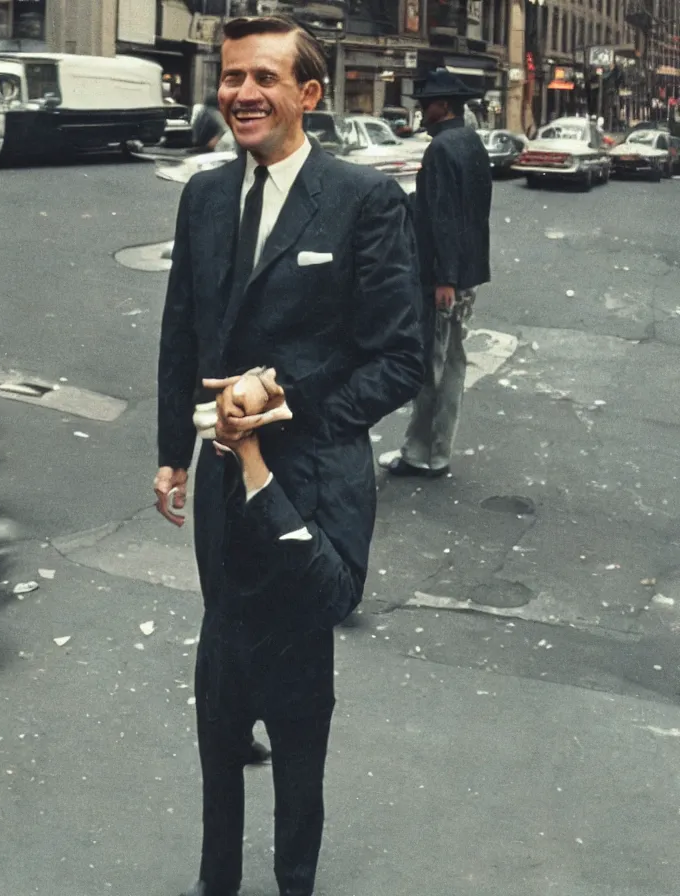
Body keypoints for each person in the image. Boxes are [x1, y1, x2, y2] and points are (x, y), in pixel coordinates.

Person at [154, 14, 424, 896]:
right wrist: (171, 454)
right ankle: (215, 880)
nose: (241, 93)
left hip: (308, 490)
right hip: (222, 500)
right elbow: (183, 331)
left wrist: (283, 407)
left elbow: (399, 361)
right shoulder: (202, 196)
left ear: (309, 94)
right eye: (232, 77)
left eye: (264, 78)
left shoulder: (363, 202)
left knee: (298, 716)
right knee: (221, 692)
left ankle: (294, 880)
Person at [381, 68, 492, 479]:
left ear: (444, 105)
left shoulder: (442, 149)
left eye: (426, 103)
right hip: (466, 271)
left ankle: (419, 453)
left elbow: (444, 218)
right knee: (452, 363)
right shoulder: (471, 142)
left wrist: (443, 277)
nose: (421, 110)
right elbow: (469, 212)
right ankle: (438, 451)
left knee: (433, 367)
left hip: (443, 276)